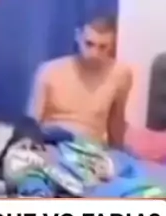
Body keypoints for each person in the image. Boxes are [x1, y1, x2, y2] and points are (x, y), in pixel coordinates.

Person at [28, 16, 132, 147]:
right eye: (89, 44)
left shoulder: (120, 74)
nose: (94, 53)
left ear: (112, 44)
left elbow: (116, 125)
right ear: (78, 36)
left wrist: (118, 153)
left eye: (103, 47)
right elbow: (31, 124)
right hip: (52, 144)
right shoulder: (49, 70)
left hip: (90, 149)